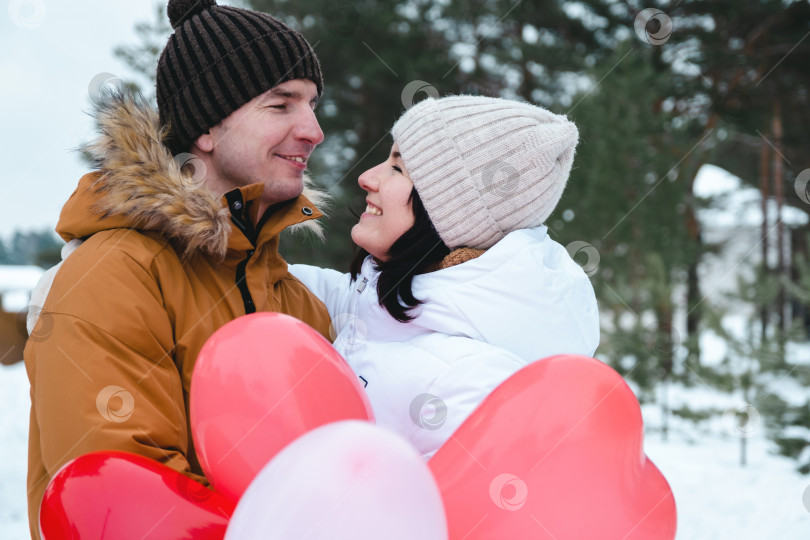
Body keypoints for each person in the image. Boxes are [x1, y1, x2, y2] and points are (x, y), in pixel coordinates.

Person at [23, 1, 332, 537]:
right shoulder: (113, 277)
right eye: (281, 105)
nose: (314, 130)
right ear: (207, 129)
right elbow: (124, 496)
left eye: (312, 105)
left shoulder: (295, 298)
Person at [290, 95, 600, 459]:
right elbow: (325, 294)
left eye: (398, 169)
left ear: (449, 215)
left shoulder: (469, 386)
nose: (367, 177)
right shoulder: (389, 299)